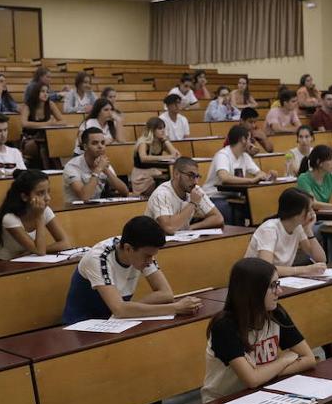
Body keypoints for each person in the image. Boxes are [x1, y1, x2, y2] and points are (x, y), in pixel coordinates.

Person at [201, 257, 315, 403]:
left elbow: (309, 359)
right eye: (273, 286)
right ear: (253, 290)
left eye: (278, 284)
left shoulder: (276, 314)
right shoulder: (224, 326)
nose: (279, 291)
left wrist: (264, 375)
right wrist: (284, 359)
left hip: (262, 393)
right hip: (223, 403)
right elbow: (252, 380)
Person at [61, 216, 202, 323]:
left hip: (115, 322)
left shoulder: (141, 249)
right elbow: (120, 310)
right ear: (128, 248)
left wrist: (131, 308)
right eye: (147, 256)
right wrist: (176, 308)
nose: (149, 262)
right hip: (82, 325)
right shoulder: (98, 258)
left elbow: (166, 294)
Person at [0, 170, 72, 260]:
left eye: (48, 192)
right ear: (24, 197)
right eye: (40, 193)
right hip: (4, 264)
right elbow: (40, 251)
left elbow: (65, 243)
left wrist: (30, 252)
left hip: (28, 260)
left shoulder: (45, 210)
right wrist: (39, 217)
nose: (48, 198)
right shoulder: (9, 218)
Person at [245, 188, 327, 277]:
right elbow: (267, 269)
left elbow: (321, 259)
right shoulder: (269, 229)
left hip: (279, 280)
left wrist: (308, 230)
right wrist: (305, 269)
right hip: (256, 281)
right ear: (296, 213)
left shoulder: (298, 227)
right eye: (309, 209)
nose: (312, 213)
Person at [146, 157, 223, 233]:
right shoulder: (161, 194)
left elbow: (218, 218)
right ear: (176, 174)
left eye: (197, 176)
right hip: (154, 242)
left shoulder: (195, 190)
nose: (196, 182)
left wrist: (191, 227)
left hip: (180, 239)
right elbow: (169, 228)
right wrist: (193, 203)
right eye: (190, 176)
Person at [65, 128, 131, 202]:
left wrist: (106, 170)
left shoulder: (102, 163)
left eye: (103, 143)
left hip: (95, 208)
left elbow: (125, 192)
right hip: (74, 210)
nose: (100, 146)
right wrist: (98, 169)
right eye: (95, 143)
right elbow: (84, 197)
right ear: (85, 147)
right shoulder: (72, 166)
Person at [130, 117, 181, 195]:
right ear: (152, 130)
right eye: (160, 128)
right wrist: (166, 157)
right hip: (141, 176)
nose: (163, 131)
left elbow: (176, 155)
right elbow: (143, 158)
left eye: (164, 128)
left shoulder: (160, 142)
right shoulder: (143, 142)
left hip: (153, 173)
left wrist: (165, 140)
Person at [20, 80, 63, 167]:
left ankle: (53, 170)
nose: (45, 94)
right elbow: (24, 123)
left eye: (47, 92)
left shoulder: (50, 104)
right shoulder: (28, 105)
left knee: (49, 142)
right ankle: (50, 169)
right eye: (42, 91)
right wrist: (46, 124)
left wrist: (53, 124)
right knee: (45, 143)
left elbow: (63, 121)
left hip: (46, 137)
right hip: (29, 139)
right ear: (36, 93)